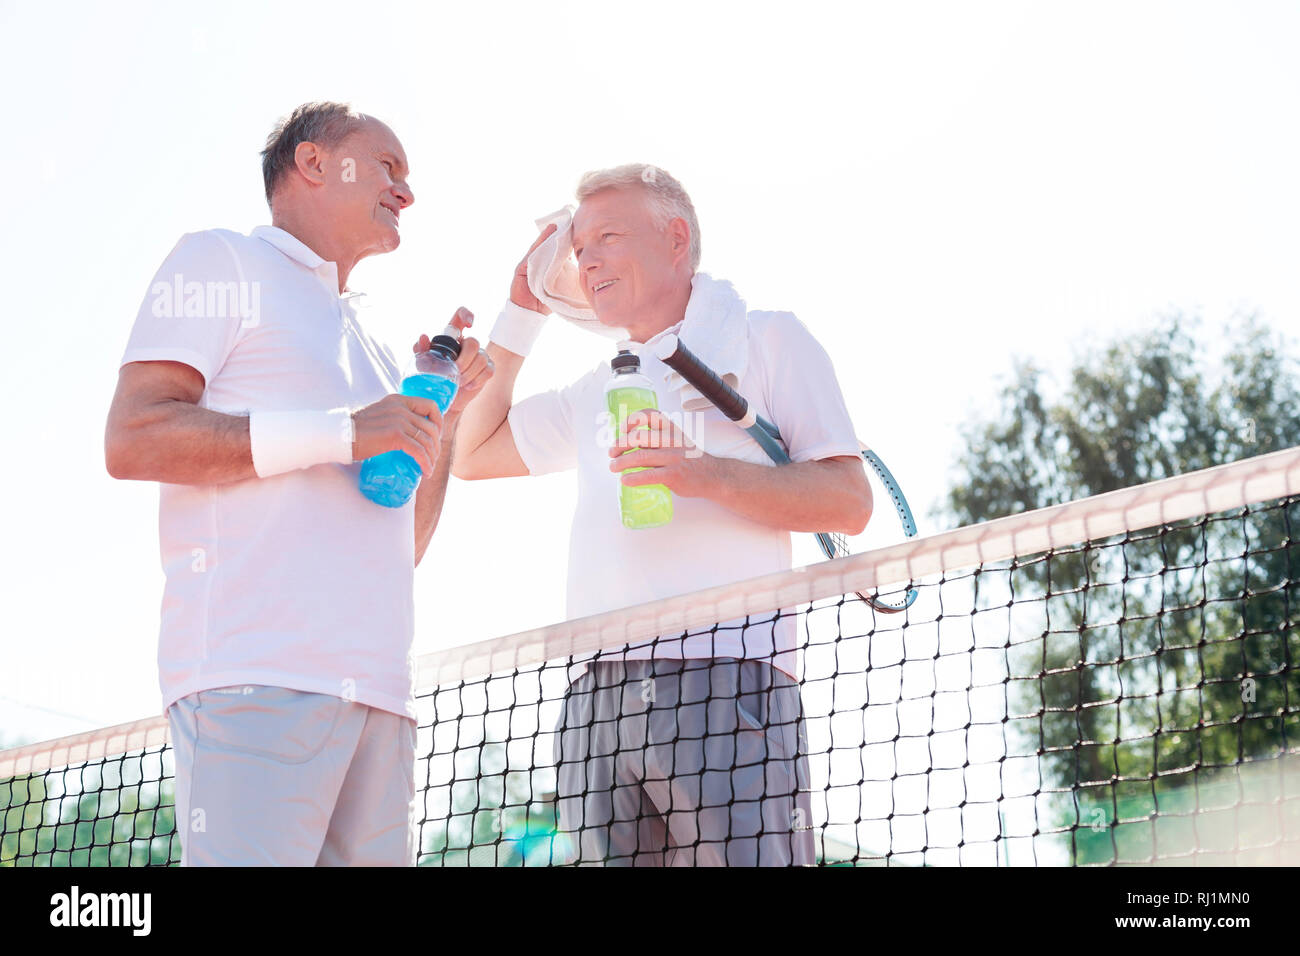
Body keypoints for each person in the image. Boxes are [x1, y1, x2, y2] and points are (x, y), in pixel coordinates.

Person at [104, 102, 492, 866]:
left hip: (381, 702)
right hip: (253, 682)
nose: (406, 193)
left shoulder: (380, 349)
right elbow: (133, 437)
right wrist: (348, 430)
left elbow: (398, 546)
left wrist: (439, 425)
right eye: (389, 167)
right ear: (314, 164)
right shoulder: (220, 261)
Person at [452, 164, 871, 865]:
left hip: (728, 677)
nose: (586, 260)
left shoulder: (769, 339)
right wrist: (520, 312)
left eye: (608, 236)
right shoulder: (595, 388)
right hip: (595, 697)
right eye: (579, 247)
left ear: (676, 239)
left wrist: (700, 474)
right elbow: (471, 453)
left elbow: (848, 502)